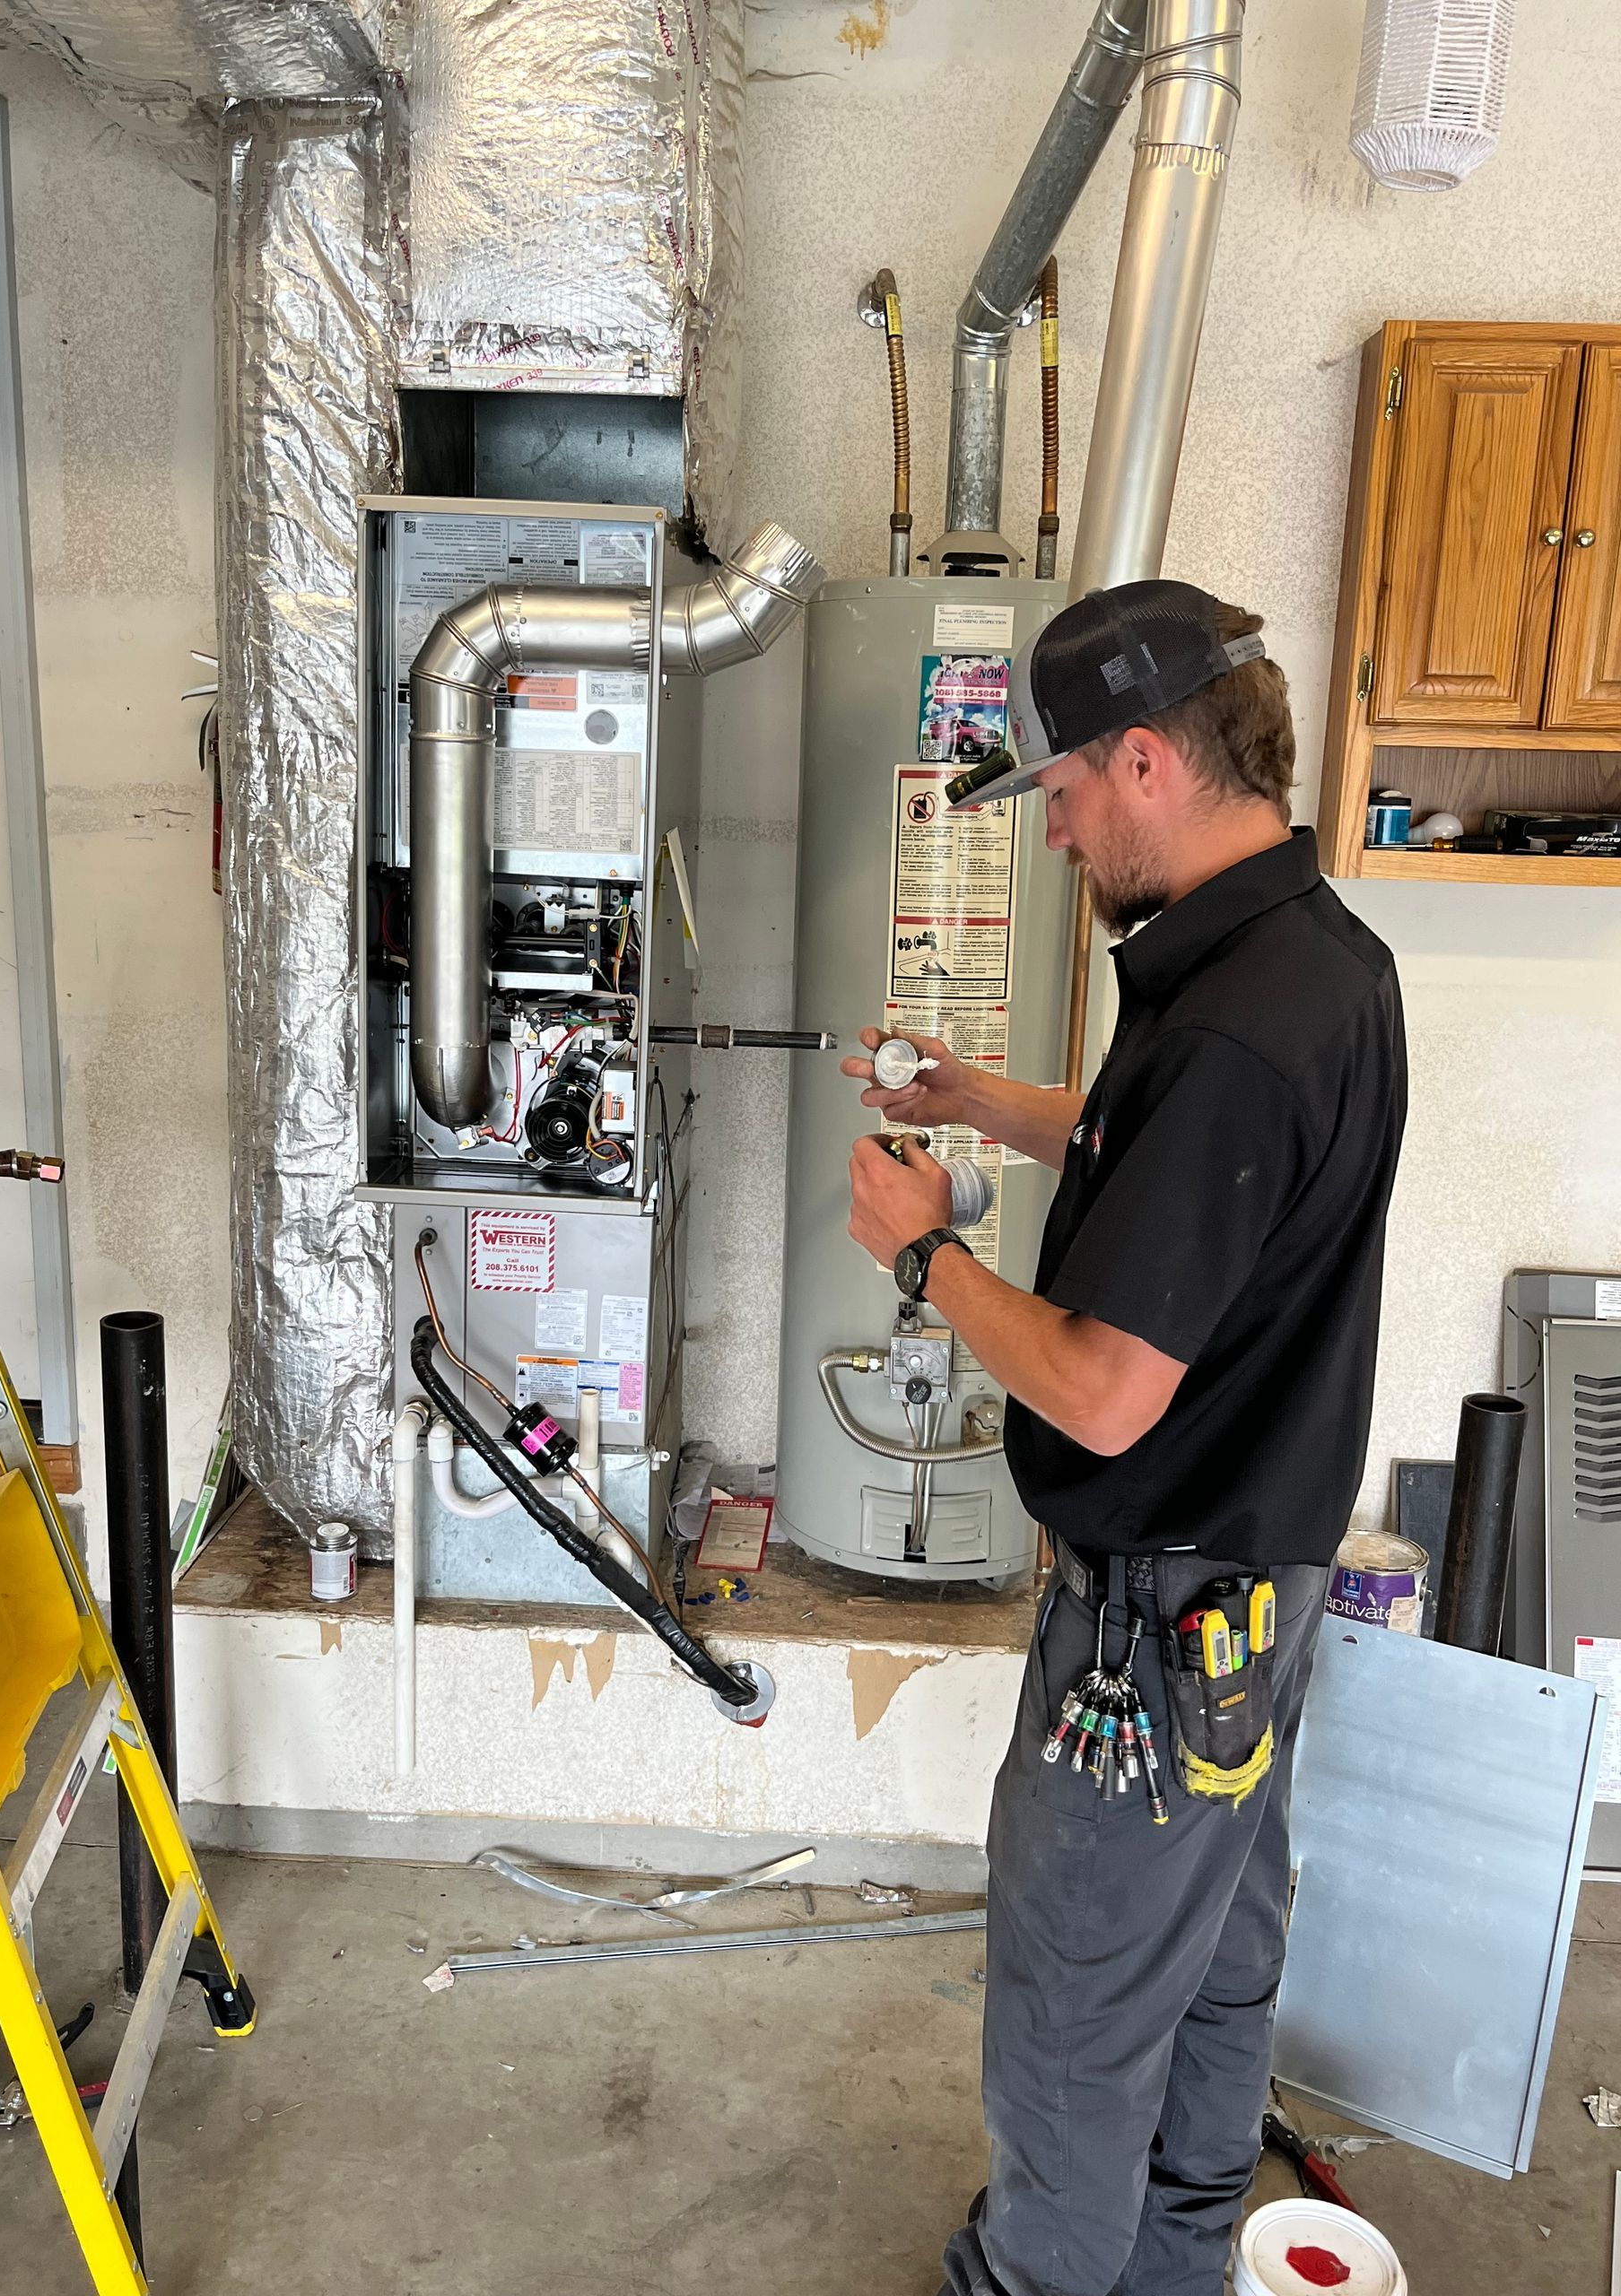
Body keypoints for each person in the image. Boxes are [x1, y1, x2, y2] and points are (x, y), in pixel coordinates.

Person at [842, 580, 1407, 2296]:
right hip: (1263, 1587)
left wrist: (925, 1254)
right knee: (1221, 1962)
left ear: (1146, 761)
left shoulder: (1233, 1021)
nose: (1062, 837)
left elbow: (1099, 1385)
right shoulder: (1309, 956)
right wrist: (982, 1104)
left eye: (1069, 797)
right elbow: (1161, 1142)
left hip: (1159, 1629)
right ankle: (1172, 2270)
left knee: (1079, 2012)